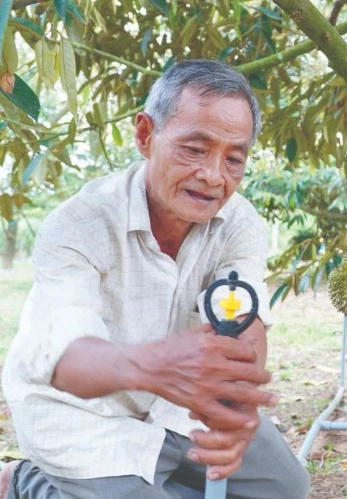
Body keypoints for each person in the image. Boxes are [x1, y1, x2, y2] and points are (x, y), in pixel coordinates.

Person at [0, 60, 310, 499]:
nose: (213, 176)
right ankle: (25, 480)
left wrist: (238, 393)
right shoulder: (78, 224)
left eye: (233, 159)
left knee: (286, 487)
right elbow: (69, 364)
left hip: (178, 406)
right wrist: (152, 366)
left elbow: (243, 319)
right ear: (145, 135)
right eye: (195, 149)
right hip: (84, 416)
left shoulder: (239, 222)